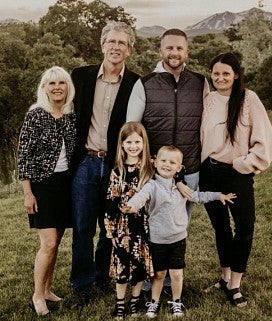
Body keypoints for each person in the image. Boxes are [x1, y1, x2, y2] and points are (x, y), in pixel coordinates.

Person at [126, 28, 210, 294]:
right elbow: (132, 127)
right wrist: (143, 161)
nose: (174, 53)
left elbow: (208, 125)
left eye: (179, 48)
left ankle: (172, 283)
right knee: (150, 226)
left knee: (177, 228)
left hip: (189, 170)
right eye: (169, 48)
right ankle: (152, 279)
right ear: (160, 50)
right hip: (154, 173)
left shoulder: (200, 82)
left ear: (187, 51)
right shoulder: (145, 82)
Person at [70, 21, 140, 308]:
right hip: (86, 162)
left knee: (109, 225)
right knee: (83, 227)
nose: (116, 47)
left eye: (122, 43)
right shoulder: (80, 76)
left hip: (116, 164)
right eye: (111, 41)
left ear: (129, 49)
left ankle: (101, 274)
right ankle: (82, 284)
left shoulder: (136, 82)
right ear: (102, 45)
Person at [123, 145, 236, 318]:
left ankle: (177, 302)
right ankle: (154, 302)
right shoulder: (152, 186)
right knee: (159, 274)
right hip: (157, 239)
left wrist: (218, 196)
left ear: (179, 167)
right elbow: (141, 197)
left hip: (178, 239)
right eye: (163, 161)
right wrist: (132, 206)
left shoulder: (181, 189)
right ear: (155, 163)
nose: (167, 165)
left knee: (176, 274)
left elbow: (199, 196)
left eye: (172, 162)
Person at [199, 52, 272, 307]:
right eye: (216, 73)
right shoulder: (207, 100)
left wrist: (243, 164)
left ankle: (235, 283)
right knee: (221, 228)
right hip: (209, 174)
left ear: (236, 75)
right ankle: (224, 277)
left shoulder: (248, 99)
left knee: (244, 228)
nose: (220, 78)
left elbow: (264, 139)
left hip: (236, 173)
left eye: (226, 73)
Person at [18, 66, 76, 316]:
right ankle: (37, 295)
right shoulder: (36, 114)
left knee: (57, 241)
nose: (57, 87)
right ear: (44, 87)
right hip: (42, 185)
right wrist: (28, 193)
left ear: (68, 87)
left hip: (66, 184)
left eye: (62, 83)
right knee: (49, 242)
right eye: (51, 83)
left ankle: (48, 288)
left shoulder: (70, 114)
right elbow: (23, 156)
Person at [104, 122, 154, 319]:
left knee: (140, 264)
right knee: (122, 265)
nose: (133, 146)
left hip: (143, 225)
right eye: (129, 142)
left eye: (137, 142)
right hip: (123, 228)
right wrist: (111, 230)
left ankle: (134, 301)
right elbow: (110, 201)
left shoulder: (149, 168)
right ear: (122, 144)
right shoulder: (118, 171)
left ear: (144, 143)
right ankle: (119, 304)